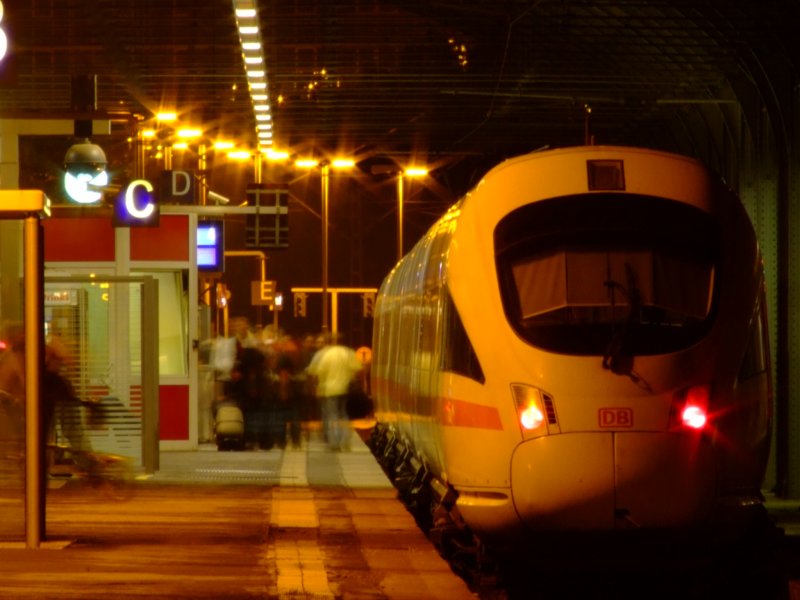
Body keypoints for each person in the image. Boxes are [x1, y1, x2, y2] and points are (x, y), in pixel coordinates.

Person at [306, 333, 363, 451]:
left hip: (329, 390)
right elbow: (358, 370)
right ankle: (345, 441)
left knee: (332, 416)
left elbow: (317, 372)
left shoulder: (327, 354)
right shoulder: (349, 353)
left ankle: (334, 443)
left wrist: (315, 386)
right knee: (344, 415)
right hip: (345, 389)